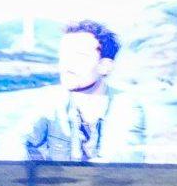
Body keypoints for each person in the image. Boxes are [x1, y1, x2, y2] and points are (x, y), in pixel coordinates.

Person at [22, 20, 147, 164]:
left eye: (79, 56)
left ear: (105, 66)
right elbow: (15, 141)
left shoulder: (126, 105)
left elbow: (119, 162)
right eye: (64, 56)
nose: (67, 65)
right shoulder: (51, 101)